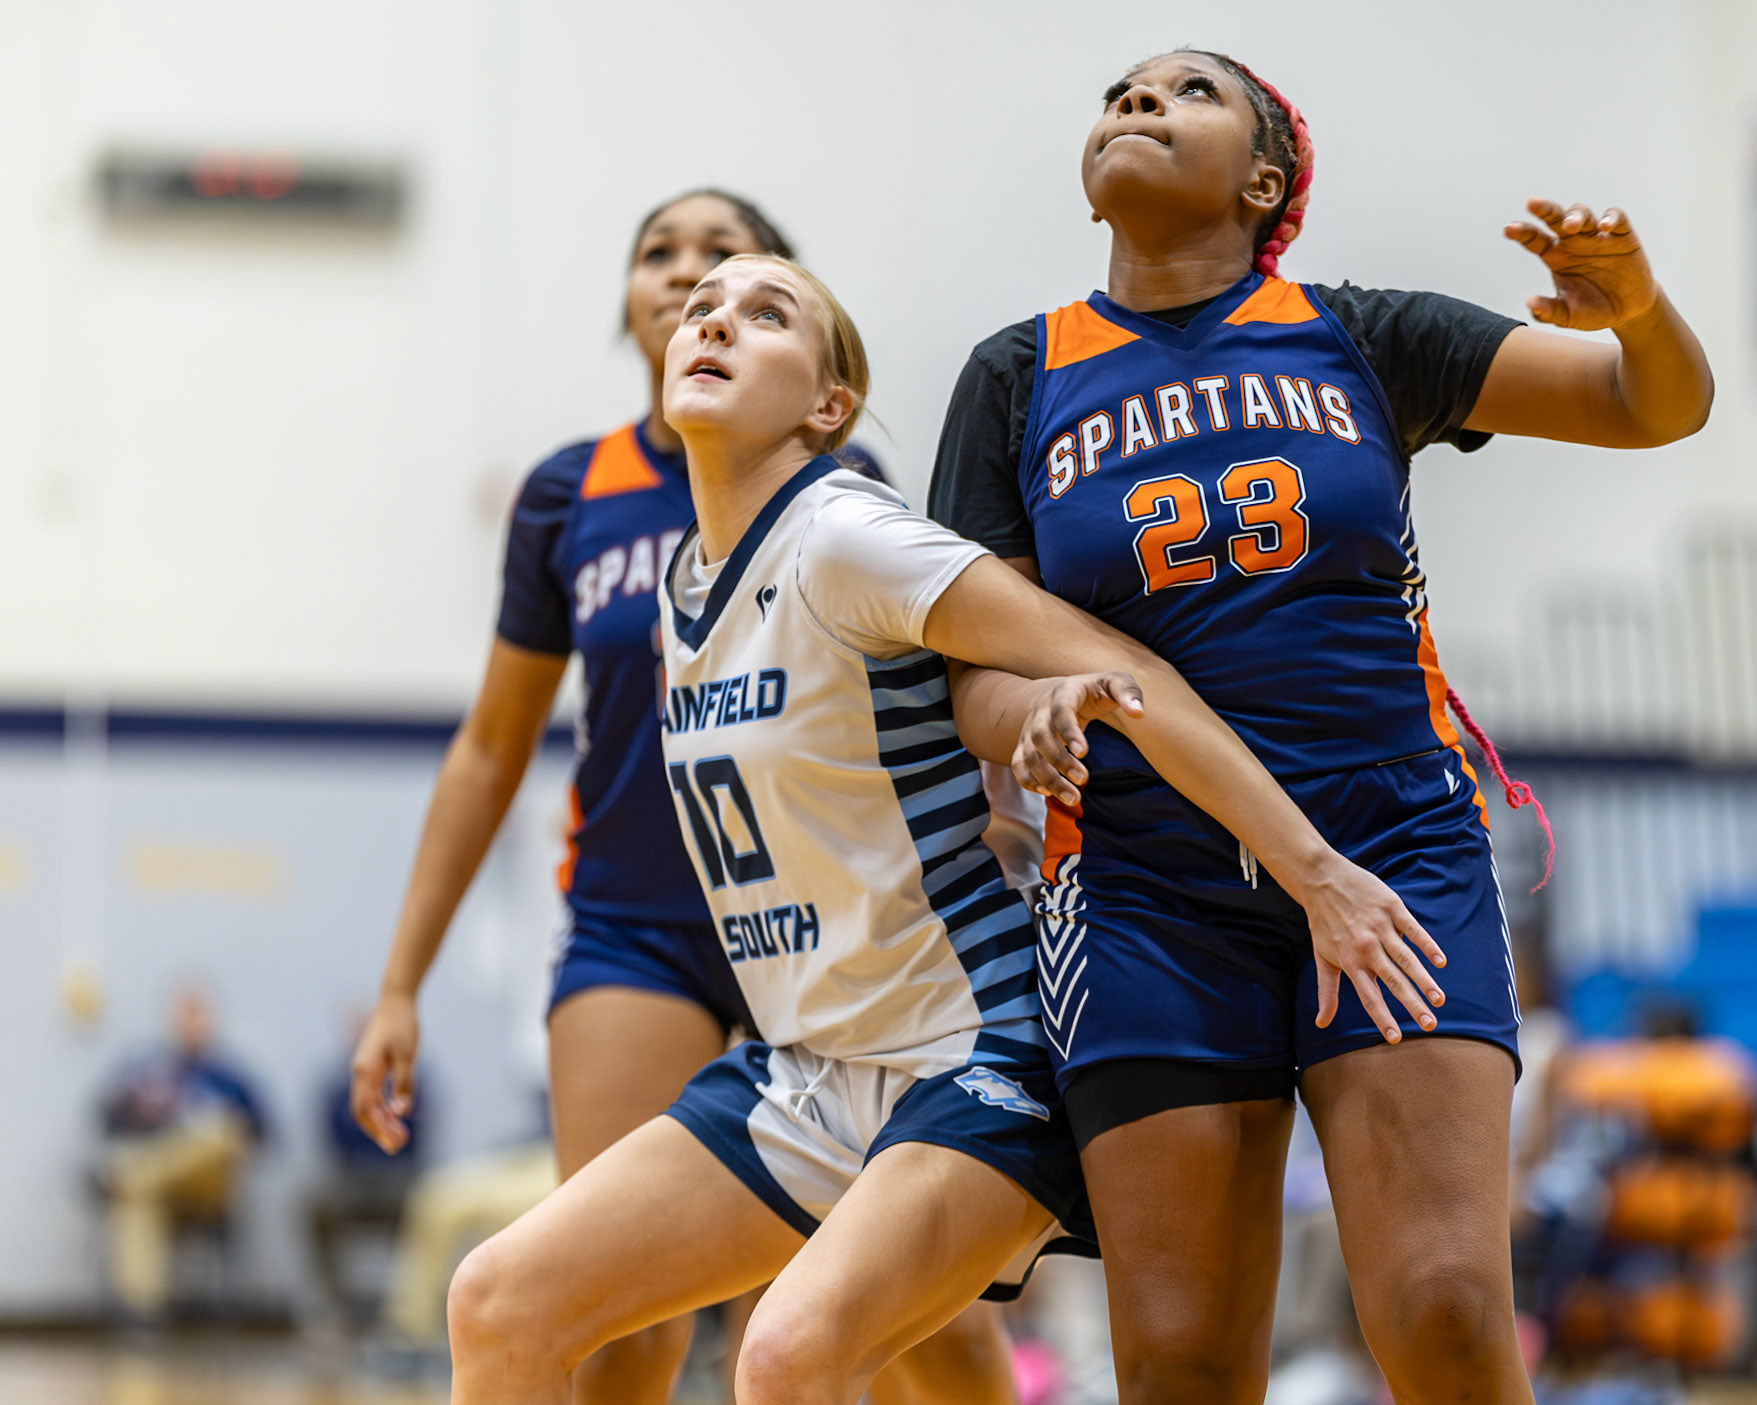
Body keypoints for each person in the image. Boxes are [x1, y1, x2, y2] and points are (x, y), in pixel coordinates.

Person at [442, 252, 1445, 1404]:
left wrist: (1312, 869)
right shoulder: (682, 582)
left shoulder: (844, 536)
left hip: (974, 1049)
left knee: (785, 1354)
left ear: (828, 405)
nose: (713, 321)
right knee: (495, 1300)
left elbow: (1121, 667)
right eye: (702, 308)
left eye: (765, 314)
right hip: (810, 1066)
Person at [927, 47, 1713, 1403]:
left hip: (1388, 840)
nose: (1136, 103)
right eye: (1119, 93)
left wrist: (1636, 312)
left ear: (1264, 181)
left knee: (1446, 1312)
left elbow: (1652, 406)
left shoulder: (1362, 334)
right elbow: (974, 676)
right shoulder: (1015, 374)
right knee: (1180, 1362)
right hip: (1140, 880)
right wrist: (1032, 707)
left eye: (1187, 92)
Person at [346, 188, 1003, 1405]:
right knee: (618, 1319)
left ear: (816, 363)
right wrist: (399, 984)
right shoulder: (569, 492)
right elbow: (489, 749)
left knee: (918, 1331)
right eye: (663, 256)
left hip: (845, 943)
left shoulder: (840, 490)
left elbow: (946, 693)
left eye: (730, 259)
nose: (689, 278)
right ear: (633, 301)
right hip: (638, 925)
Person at [95, 985, 269, 1322]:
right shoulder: (148, 1070)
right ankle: (142, 1310)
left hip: (212, 1185)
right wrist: (137, 1109)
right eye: (185, 1015)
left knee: (219, 1131)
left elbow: (262, 1132)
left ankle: (128, 1177)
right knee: (137, 1202)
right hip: (164, 1182)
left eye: (198, 1014)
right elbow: (106, 1119)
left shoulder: (231, 1075)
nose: (192, 1023)